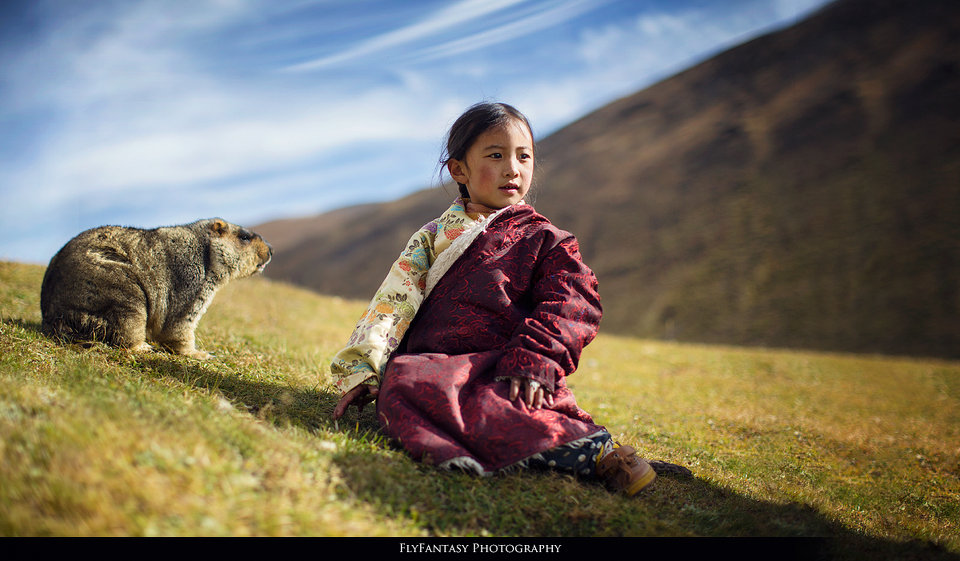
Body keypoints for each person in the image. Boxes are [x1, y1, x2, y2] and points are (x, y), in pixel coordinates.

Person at [330, 102, 667, 496]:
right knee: (402, 383)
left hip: (506, 368)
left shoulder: (548, 240)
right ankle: (505, 452)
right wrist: (364, 369)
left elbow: (573, 300)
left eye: (524, 156)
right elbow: (394, 300)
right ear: (459, 170)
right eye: (496, 155)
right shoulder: (432, 236)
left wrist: (536, 357)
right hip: (432, 366)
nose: (513, 168)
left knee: (510, 405)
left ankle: (598, 454)